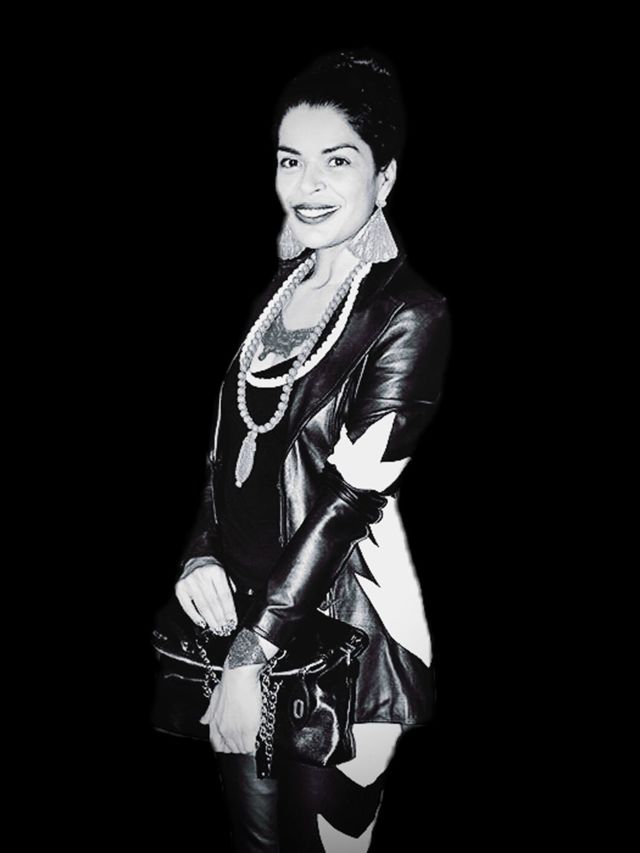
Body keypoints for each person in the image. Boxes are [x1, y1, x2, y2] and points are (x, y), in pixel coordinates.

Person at [172, 47, 452, 852]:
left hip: (345, 638)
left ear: (385, 177)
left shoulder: (410, 314)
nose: (308, 184)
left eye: (338, 160)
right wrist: (200, 554)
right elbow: (233, 452)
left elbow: (350, 497)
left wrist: (253, 650)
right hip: (243, 618)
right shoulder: (283, 290)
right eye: (291, 160)